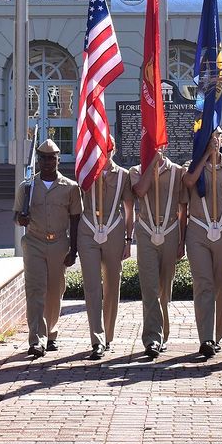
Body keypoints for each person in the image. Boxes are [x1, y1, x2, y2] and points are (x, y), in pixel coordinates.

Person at [13, 138, 82, 358]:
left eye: (51, 158)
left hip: (59, 243)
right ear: (38, 160)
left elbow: (75, 219)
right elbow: (17, 215)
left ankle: (51, 333)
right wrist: (21, 219)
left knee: (55, 291)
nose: (47, 162)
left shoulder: (70, 188)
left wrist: (74, 249)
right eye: (43, 158)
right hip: (34, 242)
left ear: (58, 160)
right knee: (35, 291)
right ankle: (36, 339)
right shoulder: (27, 187)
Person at [182, 128, 222, 358]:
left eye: (217, 136)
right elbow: (188, 182)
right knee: (203, 284)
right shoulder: (193, 166)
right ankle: (205, 337)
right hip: (198, 231)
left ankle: (217, 335)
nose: (214, 140)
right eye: (209, 137)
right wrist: (205, 156)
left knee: (220, 285)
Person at [77, 144, 134, 360]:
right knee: (92, 286)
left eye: (109, 148)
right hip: (89, 229)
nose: (105, 151)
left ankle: (108, 334)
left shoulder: (123, 175)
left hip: (114, 230)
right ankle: (97, 339)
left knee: (112, 284)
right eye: (101, 147)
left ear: (114, 150)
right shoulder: (86, 170)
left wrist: (129, 239)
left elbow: (129, 209)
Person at [130, 148, 187, 359]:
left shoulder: (178, 172)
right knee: (150, 288)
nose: (156, 149)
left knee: (165, 289)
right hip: (146, 231)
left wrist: (182, 240)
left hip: (170, 231)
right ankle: (152, 338)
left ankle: (163, 333)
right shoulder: (136, 171)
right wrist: (152, 163)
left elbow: (183, 209)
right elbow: (140, 191)